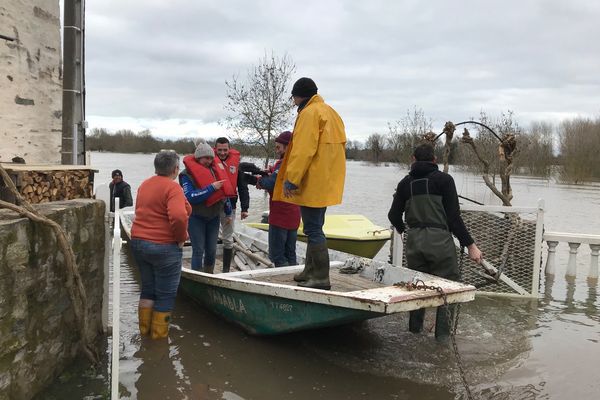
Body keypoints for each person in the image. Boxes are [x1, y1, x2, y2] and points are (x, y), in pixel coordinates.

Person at [387, 143, 483, 343]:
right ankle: (443, 341)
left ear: (413, 159)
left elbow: (393, 215)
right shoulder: (445, 180)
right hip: (439, 241)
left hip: (414, 243)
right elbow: (454, 219)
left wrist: (405, 230)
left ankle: (414, 334)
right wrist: (471, 246)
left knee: (418, 289)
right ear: (434, 160)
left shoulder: (405, 183)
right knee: (449, 289)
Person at [273, 77, 346, 290]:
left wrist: (292, 178)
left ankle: (321, 277)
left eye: (294, 98)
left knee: (313, 229)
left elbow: (302, 150)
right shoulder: (331, 112)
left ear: (298, 96)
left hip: (312, 180)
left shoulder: (309, 114)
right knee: (315, 226)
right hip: (327, 180)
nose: (294, 103)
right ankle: (309, 270)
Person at [130, 150, 192, 339]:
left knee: (148, 289)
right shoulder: (173, 188)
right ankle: (158, 339)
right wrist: (181, 237)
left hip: (139, 243)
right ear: (175, 169)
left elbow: (142, 210)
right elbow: (179, 216)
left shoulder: (144, 185)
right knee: (165, 295)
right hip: (164, 247)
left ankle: (144, 333)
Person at [180, 140, 233, 273]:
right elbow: (190, 196)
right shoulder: (186, 175)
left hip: (213, 217)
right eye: (205, 158)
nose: (209, 161)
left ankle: (209, 274)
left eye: (211, 158)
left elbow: (223, 194)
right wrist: (211, 188)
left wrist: (228, 212)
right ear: (198, 157)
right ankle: (197, 276)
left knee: (211, 250)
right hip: (196, 217)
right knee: (198, 250)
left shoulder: (215, 171)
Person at [257, 131, 301, 267]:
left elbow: (272, 183)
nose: (276, 150)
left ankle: (283, 281)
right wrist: (271, 171)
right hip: (294, 216)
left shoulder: (284, 163)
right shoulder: (298, 163)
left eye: (278, 147)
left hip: (280, 216)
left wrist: (259, 180)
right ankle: (293, 273)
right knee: (290, 252)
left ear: (288, 147)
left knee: (277, 255)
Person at [213, 137, 249, 273]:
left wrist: (245, 208)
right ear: (215, 149)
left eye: (225, 150)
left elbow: (243, 187)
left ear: (229, 149)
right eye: (219, 150)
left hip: (230, 207)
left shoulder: (236, 166)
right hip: (212, 207)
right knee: (211, 236)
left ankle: (226, 270)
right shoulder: (209, 163)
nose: (222, 153)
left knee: (228, 239)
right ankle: (208, 267)